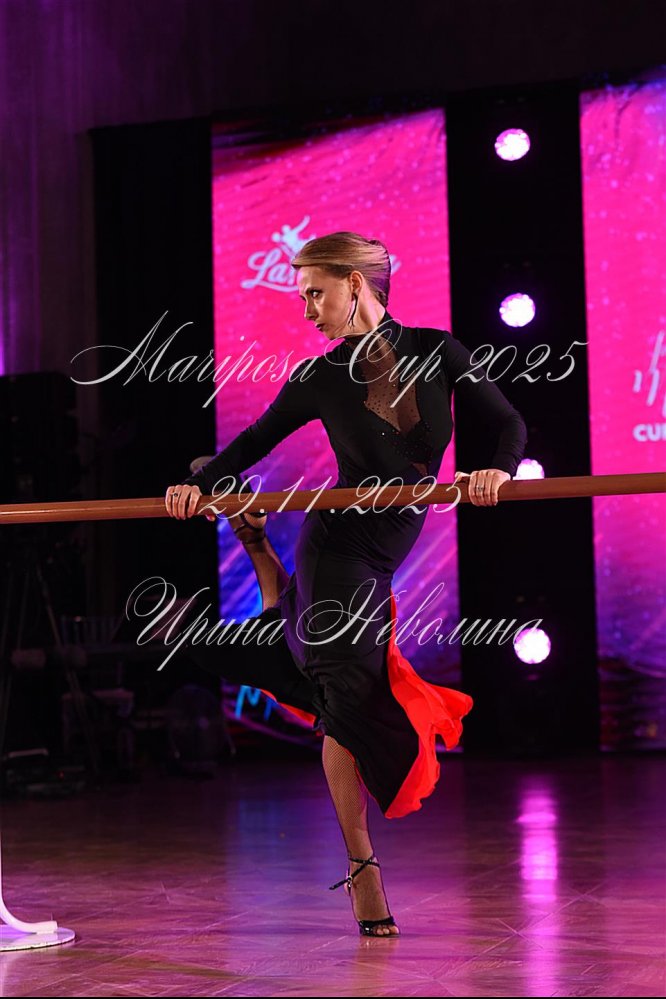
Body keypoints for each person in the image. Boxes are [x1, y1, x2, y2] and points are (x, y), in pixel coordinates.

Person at [165, 231, 528, 936]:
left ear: (355, 284)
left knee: (338, 689)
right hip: (338, 549)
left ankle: (253, 566)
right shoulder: (318, 377)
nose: (307, 310)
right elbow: (249, 445)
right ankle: (364, 869)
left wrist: (499, 470)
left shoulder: (440, 350)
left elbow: (508, 422)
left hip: (381, 557)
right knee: (346, 701)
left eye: (315, 293)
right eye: (302, 296)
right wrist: (193, 486)